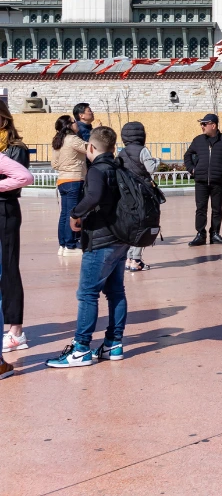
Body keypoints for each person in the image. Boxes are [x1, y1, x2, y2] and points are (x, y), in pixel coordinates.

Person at [47, 126, 127, 368]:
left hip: (100, 240)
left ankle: (81, 348)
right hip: (120, 239)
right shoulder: (119, 168)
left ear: (91, 148)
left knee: (87, 294)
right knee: (115, 292)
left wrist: (75, 213)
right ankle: (114, 344)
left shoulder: (96, 171)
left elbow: (92, 197)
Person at [0, 102, 32, 363]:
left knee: (8, 266)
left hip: (5, 210)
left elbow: (18, 181)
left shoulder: (16, 149)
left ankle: (16, 330)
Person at [183, 114, 222, 246]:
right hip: (201, 181)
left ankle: (215, 234)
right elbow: (188, 155)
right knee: (201, 209)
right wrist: (192, 169)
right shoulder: (198, 140)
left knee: (217, 209)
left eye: (204, 124)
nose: (201, 127)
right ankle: (200, 234)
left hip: (217, 182)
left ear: (213, 125)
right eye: (201, 124)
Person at [118, 123, 159, 273]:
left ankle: (128, 259)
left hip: (127, 194)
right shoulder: (143, 150)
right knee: (143, 224)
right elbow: (151, 168)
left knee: (131, 225)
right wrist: (158, 161)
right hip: (143, 192)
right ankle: (136, 260)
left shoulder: (122, 153)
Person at [50, 115, 88, 257]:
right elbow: (90, 149)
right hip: (74, 179)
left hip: (62, 181)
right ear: (69, 125)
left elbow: (54, 164)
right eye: (74, 121)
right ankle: (71, 246)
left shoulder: (57, 141)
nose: (77, 123)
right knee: (73, 214)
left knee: (65, 214)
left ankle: (63, 245)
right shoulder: (73, 139)